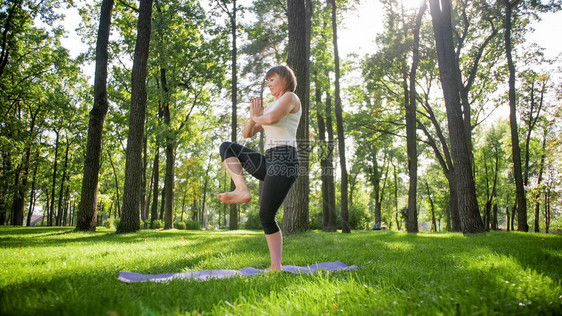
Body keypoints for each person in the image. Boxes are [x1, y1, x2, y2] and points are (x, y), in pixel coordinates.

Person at [217, 65, 301, 271]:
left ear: (285, 78)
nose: (268, 84)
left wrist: (259, 117)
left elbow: (272, 119)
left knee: (266, 215)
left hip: (285, 159)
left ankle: (276, 266)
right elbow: (248, 134)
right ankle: (241, 189)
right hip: (270, 159)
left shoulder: (290, 98)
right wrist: (252, 117)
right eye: (267, 81)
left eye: (272, 79)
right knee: (227, 147)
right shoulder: (271, 106)